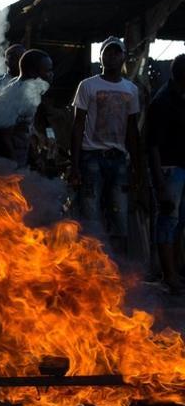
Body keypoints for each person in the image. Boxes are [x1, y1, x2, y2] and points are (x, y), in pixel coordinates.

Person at [69, 37, 143, 253]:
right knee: (91, 217)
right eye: (107, 52)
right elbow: (77, 125)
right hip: (91, 158)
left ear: (123, 57)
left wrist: (137, 167)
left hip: (119, 159)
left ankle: (119, 271)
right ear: (100, 56)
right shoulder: (88, 85)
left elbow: (132, 130)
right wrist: (74, 165)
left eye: (116, 52)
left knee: (119, 216)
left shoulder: (131, 89)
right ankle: (92, 269)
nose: (112, 56)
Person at [145, 54, 185, 293]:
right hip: (169, 171)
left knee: (179, 223)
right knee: (168, 221)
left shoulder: (182, 98)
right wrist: (159, 182)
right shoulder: (162, 102)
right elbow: (152, 146)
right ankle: (168, 275)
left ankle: (176, 272)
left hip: (182, 169)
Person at [0, 48, 53, 165]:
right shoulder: (17, 95)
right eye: (47, 70)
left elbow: (24, 130)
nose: (51, 74)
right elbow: (2, 136)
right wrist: (15, 170)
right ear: (33, 72)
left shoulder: (29, 92)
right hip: (5, 169)